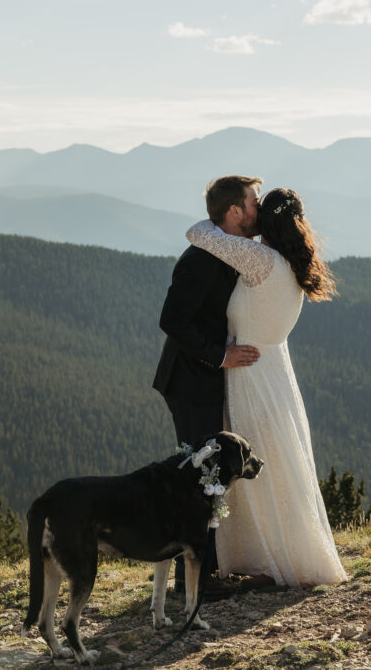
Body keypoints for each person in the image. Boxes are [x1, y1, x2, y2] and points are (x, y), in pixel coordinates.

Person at [185, 187, 347, 587]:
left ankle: (260, 557)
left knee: (252, 463)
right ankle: (283, 552)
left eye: (259, 210)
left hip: (250, 374)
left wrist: (226, 216)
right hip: (276, 372)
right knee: (277, 463)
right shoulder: (295, 265)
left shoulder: (261, 260)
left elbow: (197, 233)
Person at [153, 175, 263, 591]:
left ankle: (202, 572)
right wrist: (219, 356)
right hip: (190, 380)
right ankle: (196, 581)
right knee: (202, 475)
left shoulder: (229, 250)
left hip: (202, 378)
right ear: (234, 212)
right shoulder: (201, 257)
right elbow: (172, 319)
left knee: (207, 471)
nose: (258, 209)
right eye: (253, 203)